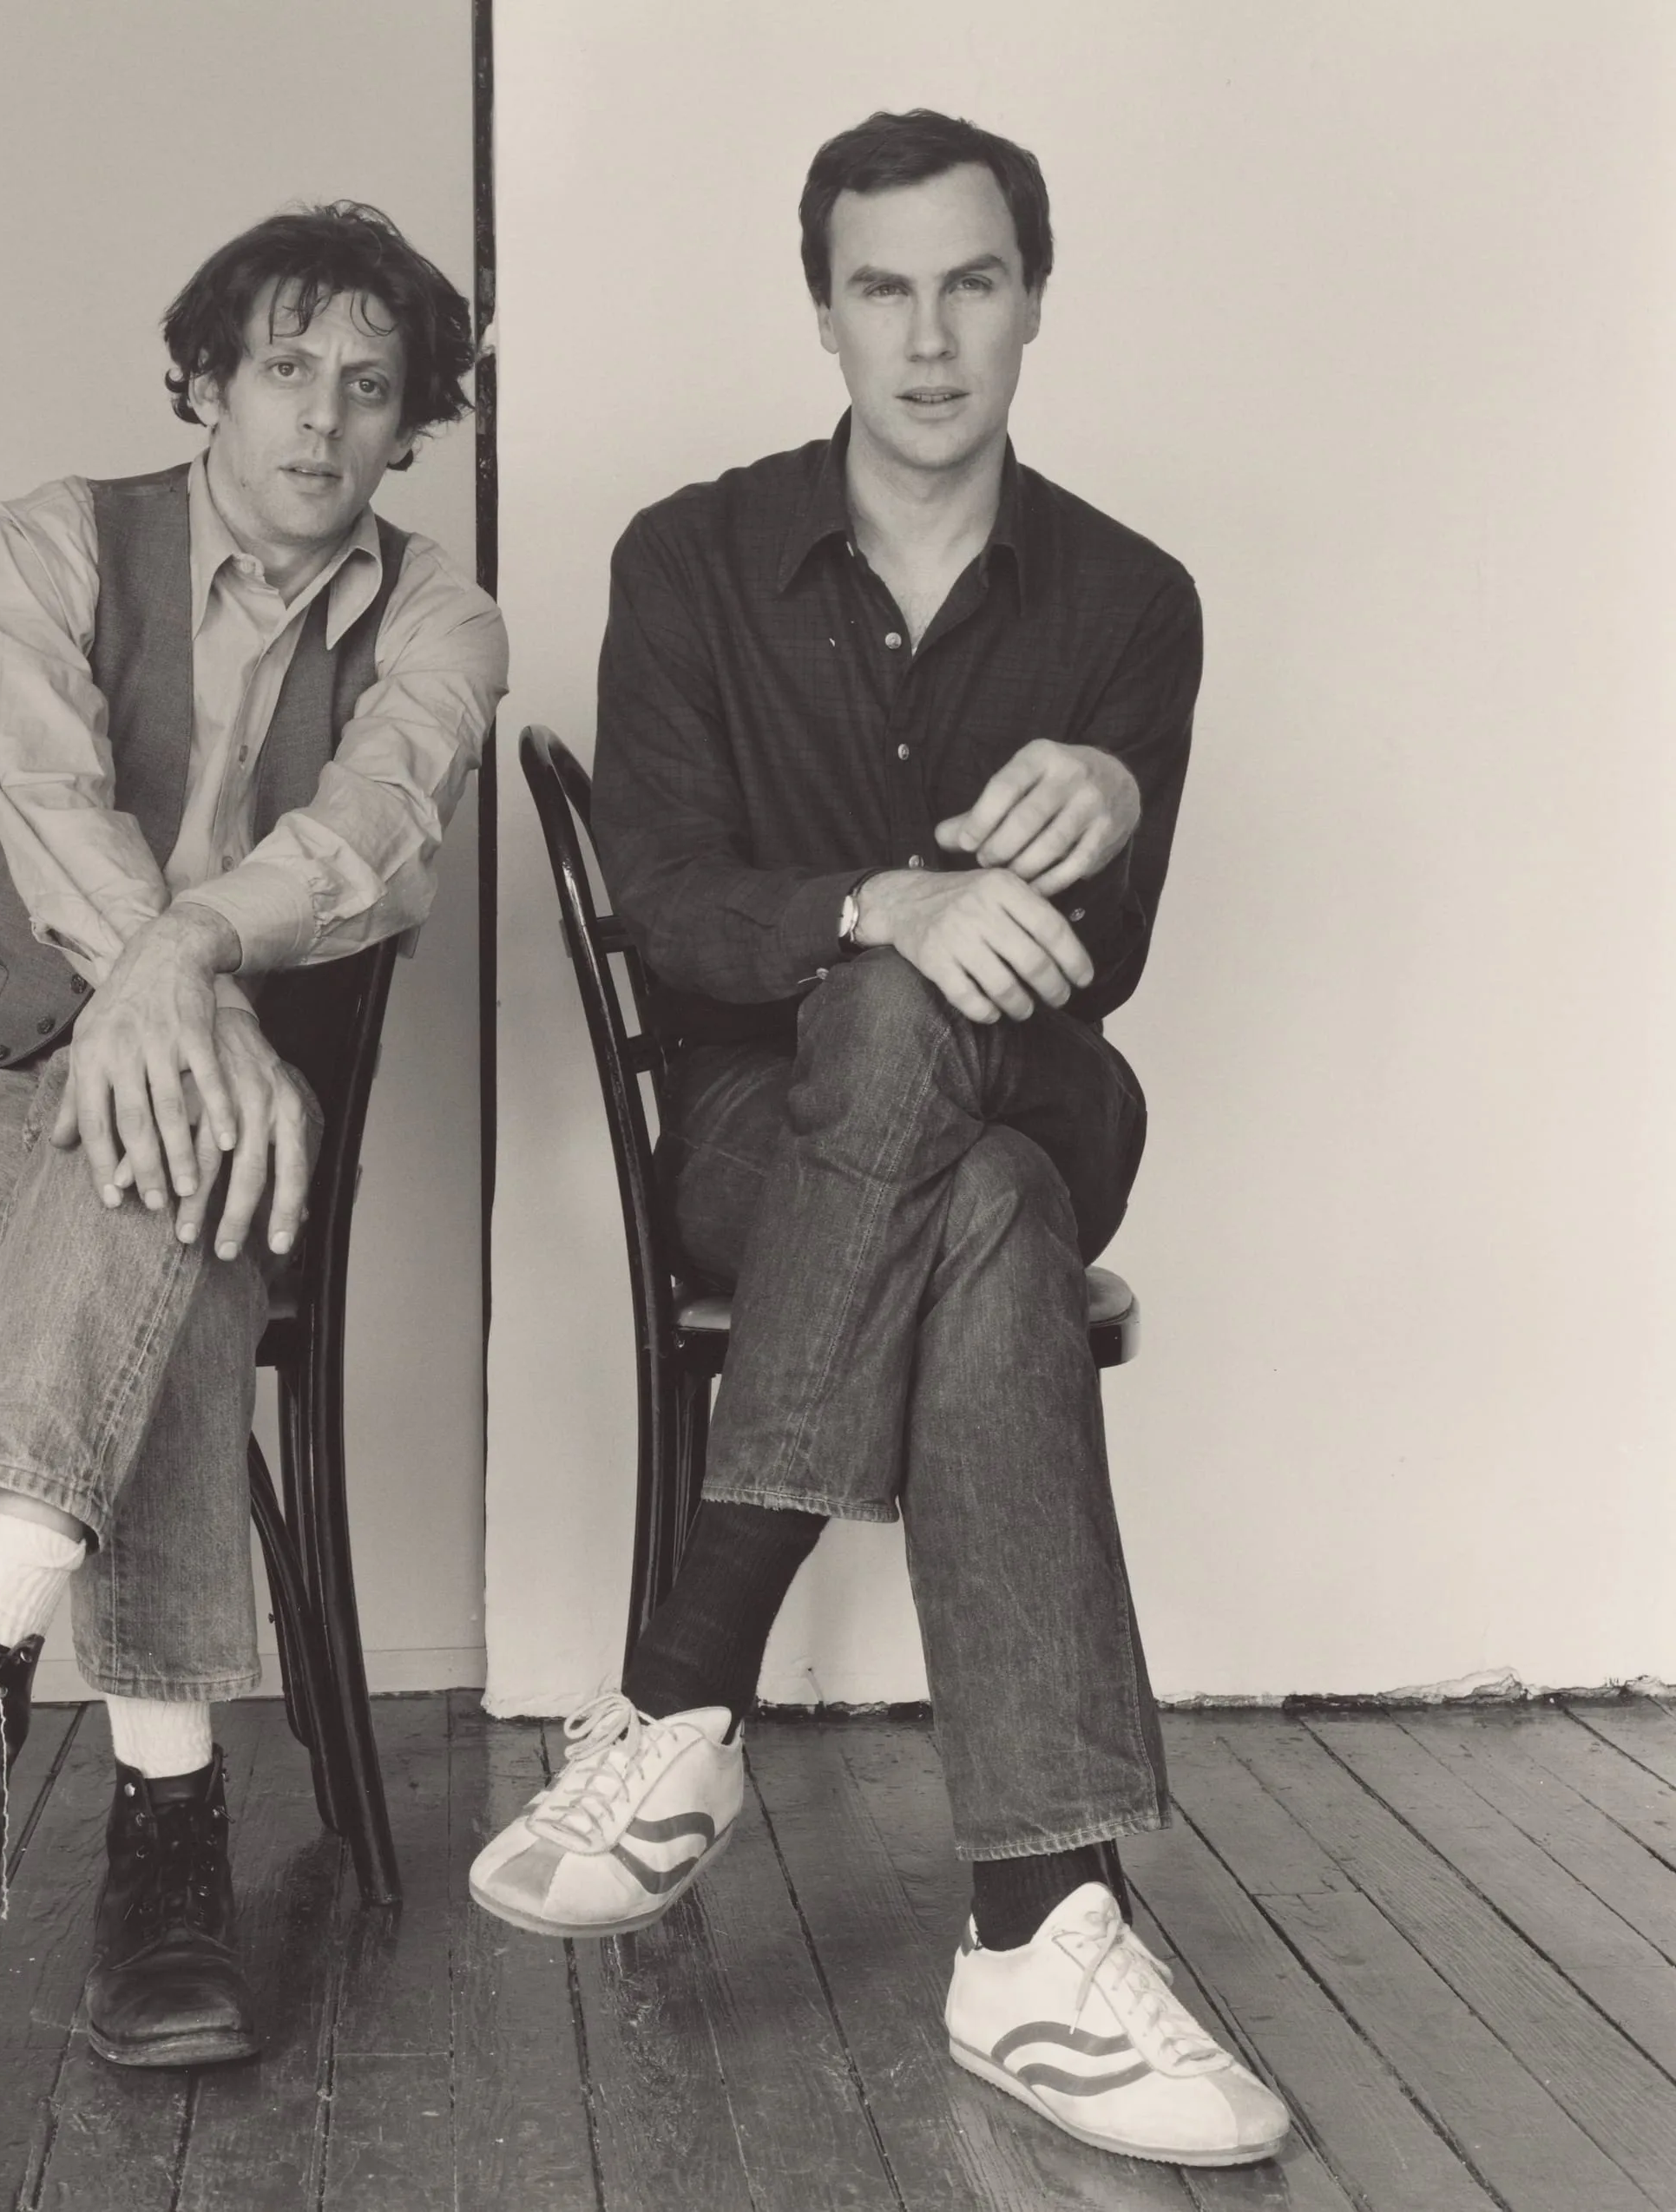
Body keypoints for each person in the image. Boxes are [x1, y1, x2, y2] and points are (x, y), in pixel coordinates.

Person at [470, 112, 1288, 2167]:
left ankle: (681, 1684)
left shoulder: (1132, 600)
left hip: (1042, 1089)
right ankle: (1036, 1936)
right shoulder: (688, 558)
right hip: (759, 1140)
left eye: (970, 284)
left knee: (957, 1068)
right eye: (881, 289)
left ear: (1033, 297)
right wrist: (880, 904)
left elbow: (1099, 962)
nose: (926, 339)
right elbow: (665, 901)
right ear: (821, 309)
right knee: (976, 1199)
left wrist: (1105, 804)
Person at [0, 202, 505, 2071]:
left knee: (157, 1164)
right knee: (163, 1175)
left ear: (410, 424)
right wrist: (194, 1006)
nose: (324, 416)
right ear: (204, 382)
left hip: (221, 1165)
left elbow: (374, 827)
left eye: (373, 386)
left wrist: (184, 964)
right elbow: (52, 809)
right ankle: (165, 1845)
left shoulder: (441, 619)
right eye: (285, 366)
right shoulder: (37, 549)